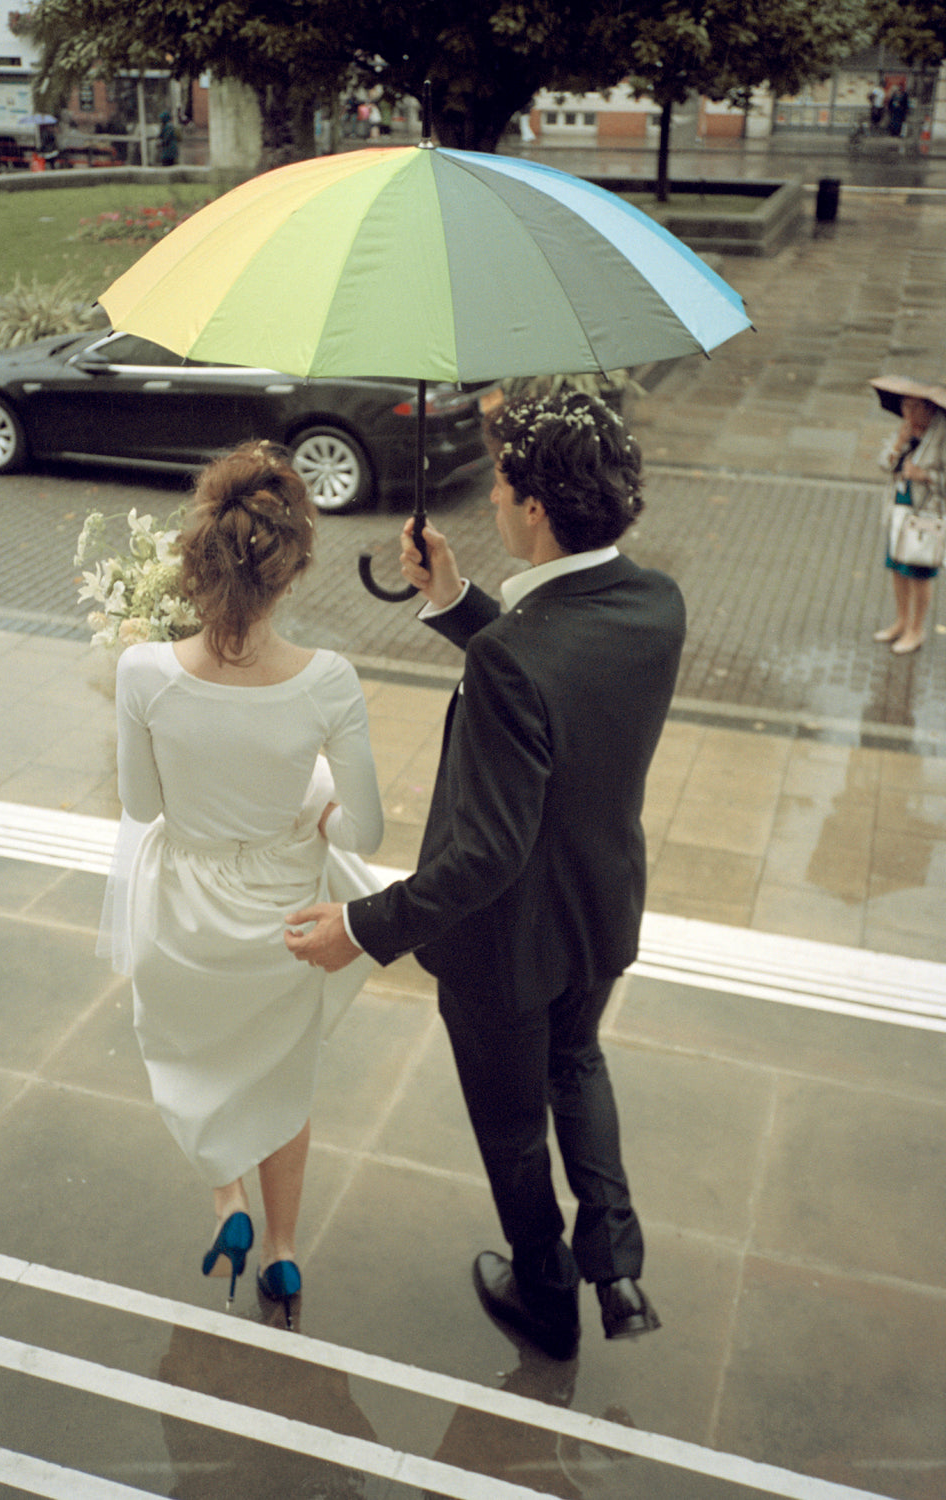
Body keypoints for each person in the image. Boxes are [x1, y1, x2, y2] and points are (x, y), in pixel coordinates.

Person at [285, 392, 686, 1360]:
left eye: (503, 486)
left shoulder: (512, 655)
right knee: (576, 1061)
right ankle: (616, 1267)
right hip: (597, 910)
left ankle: (546, 1295)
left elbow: (486, 852)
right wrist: (457, 599)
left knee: (511, 1130)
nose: (494, 501)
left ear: (535, 508)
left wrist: (363, 927)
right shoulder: (654, 605)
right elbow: (559, 677)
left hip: (504, 947)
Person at [110, 440, 384, 1319]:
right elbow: (366, 832)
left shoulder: (142, 672)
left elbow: (142, 805)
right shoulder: (329, 682)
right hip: (282, 922)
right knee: (278, 1079)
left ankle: (227, 1203)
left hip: (183, 918)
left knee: (199, 1061)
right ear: (291, 570)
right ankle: (283, 1254)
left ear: (196, 560)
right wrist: (318, 805)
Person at [874, 387, 946, 654]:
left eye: (915, 407)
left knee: (919, 573)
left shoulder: (941, 436)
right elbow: (884, 464)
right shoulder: (904, 431)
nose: (908, 412)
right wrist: (898, 445)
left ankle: (917, 629)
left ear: (930, 409)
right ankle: (901, 622)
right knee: (897, 568)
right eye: (905, 406)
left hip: (926, 515)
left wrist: (924, 476)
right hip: (899, 511)